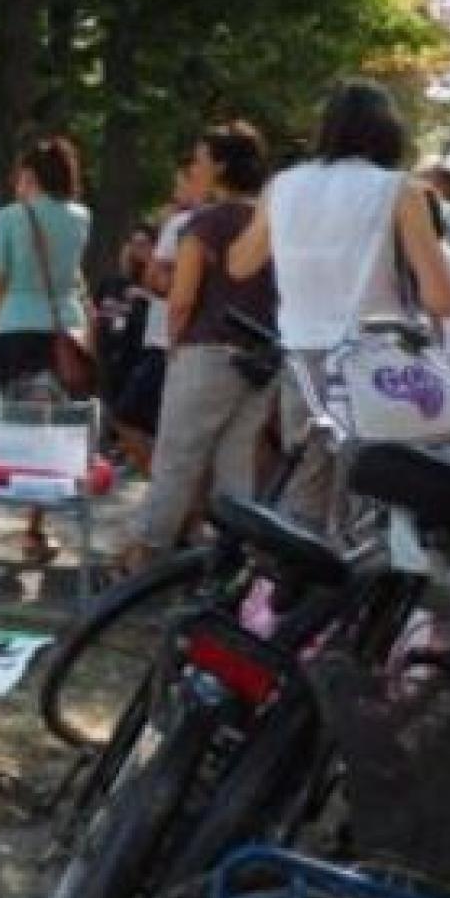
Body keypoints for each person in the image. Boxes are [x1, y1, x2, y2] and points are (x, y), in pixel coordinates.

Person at [230, 79, 450, 528]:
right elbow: (441, 298)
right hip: (375, 362)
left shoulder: (283, 187)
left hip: (302, 357)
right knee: (375, 490)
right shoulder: (400, 191)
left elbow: (240, 264)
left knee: (307, 490)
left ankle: (298, 571)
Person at [120, 123, 278, 574]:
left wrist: (174, 344)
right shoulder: (273, 221)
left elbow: (182, 298)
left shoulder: (206, 223)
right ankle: (231, 569)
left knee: (176, 460)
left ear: (221, 167)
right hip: (261, 357)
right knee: (236, 469)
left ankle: (143, 560)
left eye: (201, 159)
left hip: (207, 351)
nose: (194, 167)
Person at [0, 137, 92, 560]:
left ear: (29, 174)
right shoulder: (81, 217)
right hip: (64, 332)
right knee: (52, 432)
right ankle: (34, 529)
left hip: (14, 327)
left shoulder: (10, 216)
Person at [113, 158, 206, 474]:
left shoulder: (181, 224)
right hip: (197, 342)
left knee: (126, 416)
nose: (176, 192)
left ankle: (162, 480)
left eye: (181, 184)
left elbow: (153, 278)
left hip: (167, 339)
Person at [93, 224, 157, 411]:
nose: (137, 251)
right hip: (109, 358)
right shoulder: (111, 282)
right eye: (133, 244)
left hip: (139, 359)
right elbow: (96, 314)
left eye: (143, 244)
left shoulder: (156, 286)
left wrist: (146, 296)